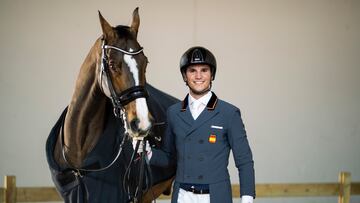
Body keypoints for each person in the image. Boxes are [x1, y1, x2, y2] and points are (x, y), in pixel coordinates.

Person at [134, 46, 255, 203]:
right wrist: (147, 152)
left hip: (216, 196)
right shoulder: (173, 113)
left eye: (204, 70)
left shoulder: (229, 113)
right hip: (183, 196)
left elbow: (244, 160)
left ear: (212, 75)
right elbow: (168, 157)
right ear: (185, 76)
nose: (198, 76)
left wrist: (247, 199)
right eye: (192, 70)